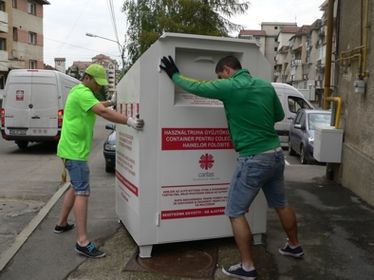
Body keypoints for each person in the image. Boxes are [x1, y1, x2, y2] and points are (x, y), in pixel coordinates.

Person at [160, 56, 303, 280]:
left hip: (253, 158)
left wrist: (174, 75)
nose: (219, 79)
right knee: (281, 204)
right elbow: (279, 115)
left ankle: (247, 267)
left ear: (226, 70)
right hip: (276, 155)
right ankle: (294, 246)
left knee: (235, 212)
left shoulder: (230, 85)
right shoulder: (265, 85)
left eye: (219, 76)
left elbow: (197, 87)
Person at [54, 64, 144, 258]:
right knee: (82, 191)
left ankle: (61, 223)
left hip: (70, 149)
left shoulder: (80, 92)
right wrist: (129, 121)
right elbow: (101, 112)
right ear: (88, 78)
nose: (98, 87)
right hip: (74, 151)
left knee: (74, 186)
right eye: (97, 83)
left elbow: (98, 106)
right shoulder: (83, 93)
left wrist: (111, 102)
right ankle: (82, 242)